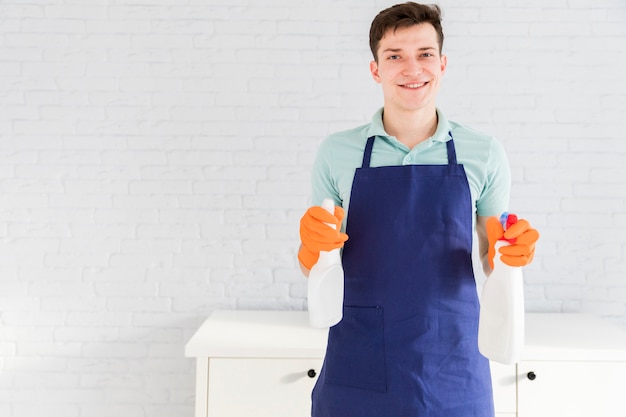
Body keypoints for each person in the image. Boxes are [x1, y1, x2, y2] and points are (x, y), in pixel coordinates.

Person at [298, 2, 539, 417]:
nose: (413, 69)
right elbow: (321, 264)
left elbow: (489, 254)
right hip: (360, 354)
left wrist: (510, 253)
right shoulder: (337, 153)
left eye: (425, 54)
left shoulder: (483, 152)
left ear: (442, 64)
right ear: (376, 69)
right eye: (395, 56)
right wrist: (310, 250)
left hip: (453, 358)